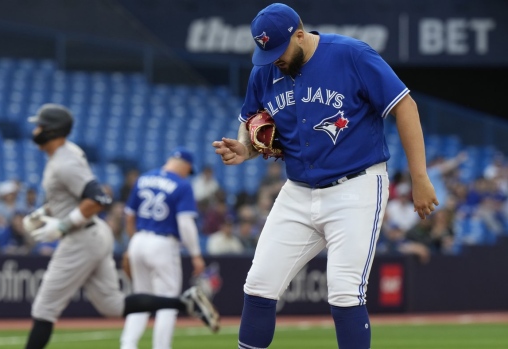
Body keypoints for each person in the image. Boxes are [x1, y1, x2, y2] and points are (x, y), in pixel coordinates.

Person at [211, 3, 438, 349]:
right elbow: (251, 124)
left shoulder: (351, 55)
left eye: (278, 50)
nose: (274, 60)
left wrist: (419, 177)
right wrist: (245, 149)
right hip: (298, 190)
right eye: (266, 52)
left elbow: (404, 105)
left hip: (356, 186)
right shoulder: (265, 71)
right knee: (259, 284)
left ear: (299, 35)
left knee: (345, 292)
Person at [22, 104, 219, 349]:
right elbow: (74, 194)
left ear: (52, 130)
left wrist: (63, 225)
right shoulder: (69, 152)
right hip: (97, 234)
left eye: (40, 125)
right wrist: (49, 211)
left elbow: (99, 199)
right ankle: (184, 303)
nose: (35, 130)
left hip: (82, 238)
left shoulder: (66, 162)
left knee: (44, 309)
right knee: (113, 306)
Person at [120, 146, 207, 349]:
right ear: (185, 165)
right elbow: (185, 223)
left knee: (140, 298)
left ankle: (127, 345)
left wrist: (133, 242)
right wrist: (196, 254)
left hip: (139, 240)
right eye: (189, 169)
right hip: (162, 242)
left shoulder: (144, 178)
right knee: (167, 302)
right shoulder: (182, 185)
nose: (188, 173)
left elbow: (129, 215)